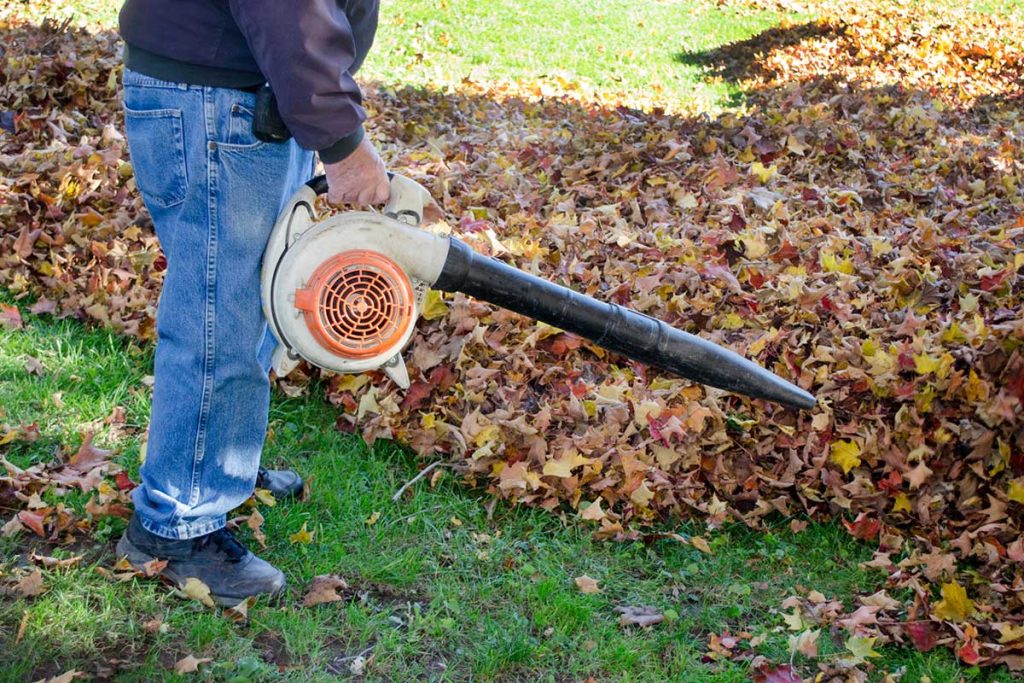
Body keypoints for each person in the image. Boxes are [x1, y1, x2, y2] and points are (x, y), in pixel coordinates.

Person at [113, 0, 388, 606]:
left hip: (247, 89)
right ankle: (177, 522)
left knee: (252, 297)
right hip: (217, 97)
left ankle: (217, 462)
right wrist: (342, 141)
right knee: (222, 314)